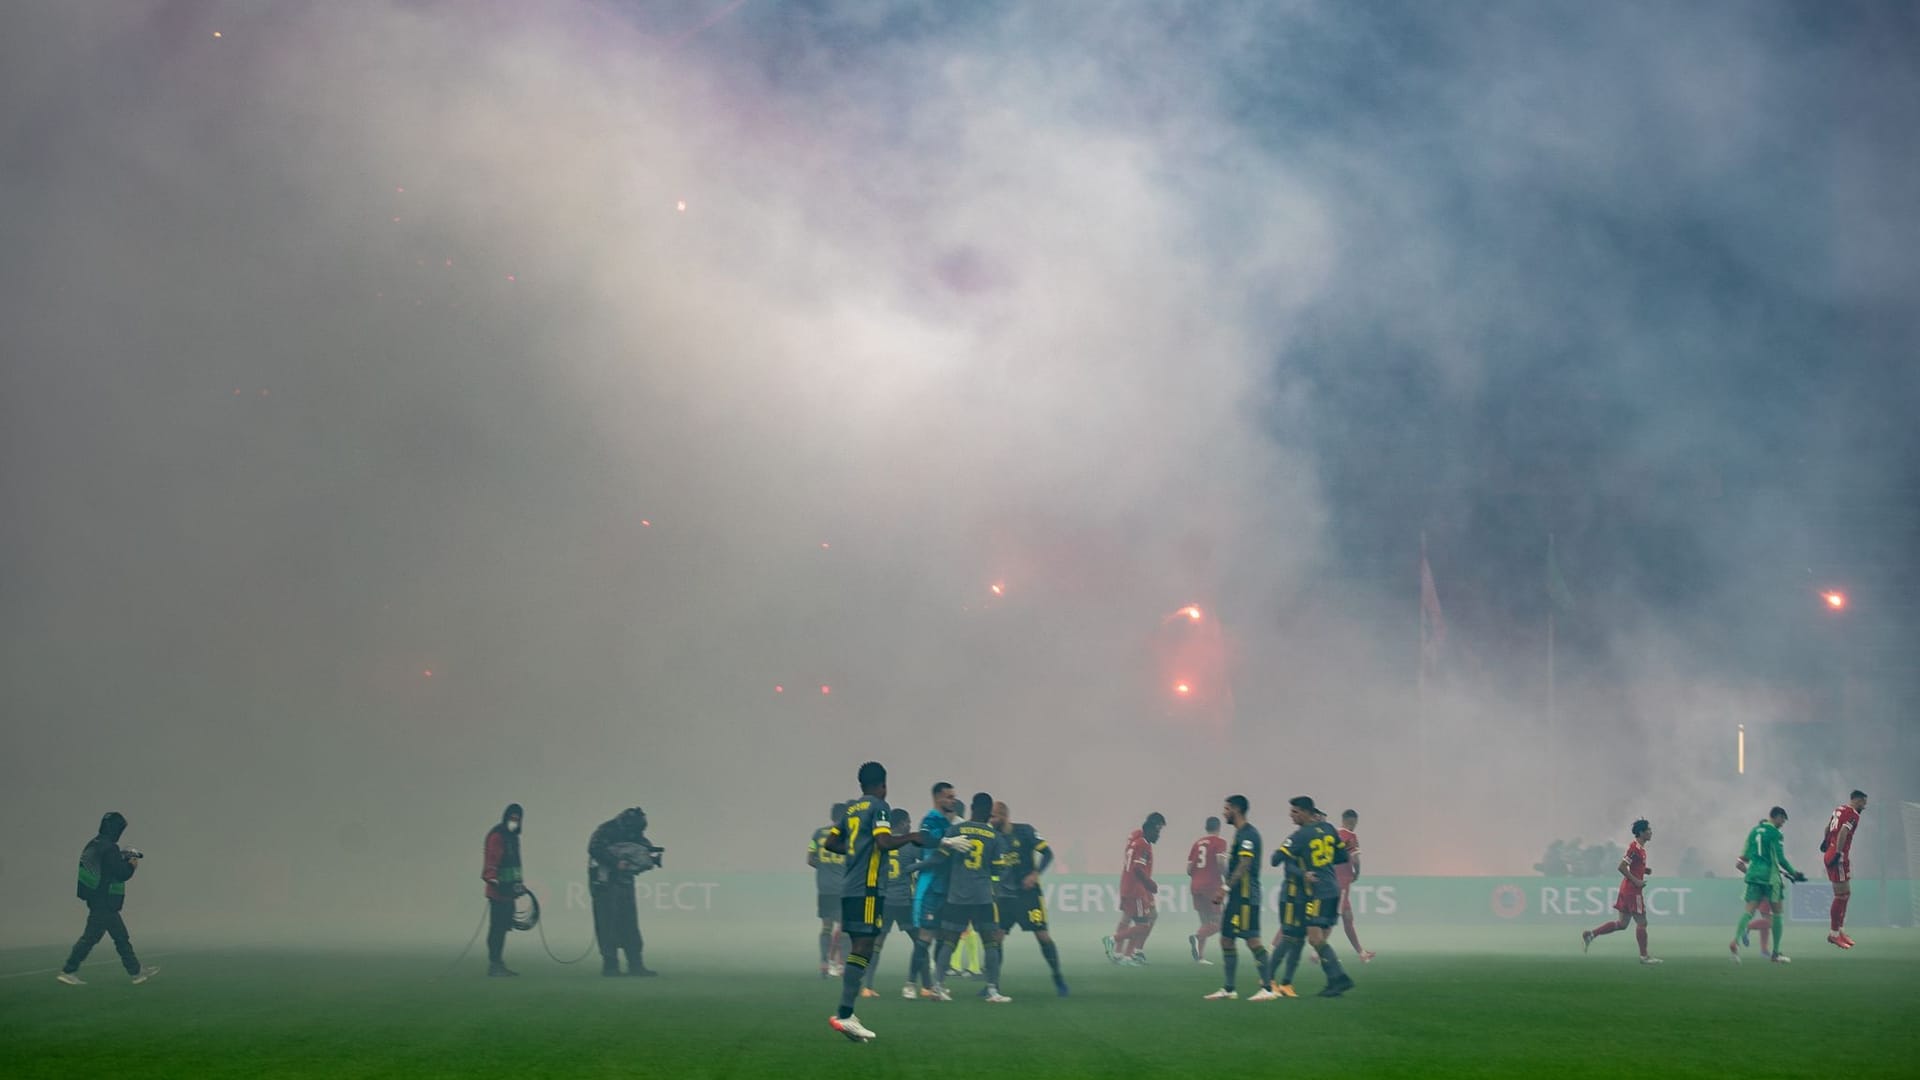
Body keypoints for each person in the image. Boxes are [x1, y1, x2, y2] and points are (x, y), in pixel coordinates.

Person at [824, 761, 937, 1041]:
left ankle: (847, 1014)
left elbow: (830, 843)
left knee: (862, 946)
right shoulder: (880, 807)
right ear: (883, 785)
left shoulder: (852, 809)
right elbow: (884, 842)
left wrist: (855, 849)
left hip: (849, 887)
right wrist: (911, 837)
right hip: (869, 888)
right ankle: (845, 1014)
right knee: (865, 947)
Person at [1264, 796, 1353, 999]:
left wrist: (1299, 861)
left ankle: (1339, 978)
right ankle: (1334, 982)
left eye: (1295, 812)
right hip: (1333, 889)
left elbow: (1275, 859)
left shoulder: (1300, 836)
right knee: (1315, 937)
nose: (1291, 815)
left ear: (1306, 812)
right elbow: (1342, 857)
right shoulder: (1329, 828)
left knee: (1312, 938)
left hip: (1317, 893)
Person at [58, 812, 158, 986]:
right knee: (93, 938)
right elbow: (120, 873)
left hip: (97, 899)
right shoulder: (110, 847)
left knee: (119, 937)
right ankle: (68, 970)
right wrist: (131, 865)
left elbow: (105, 868)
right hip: (105, 901)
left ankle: (136, 972)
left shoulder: (94, 844)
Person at [930, 792, 1010, 1002]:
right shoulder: (994, 836)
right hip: (982, 897)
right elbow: (1000, 869)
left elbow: (941, 859)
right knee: (990, 943)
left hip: (956, 896)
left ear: (973, 808)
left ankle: (938, 986)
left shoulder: (956, 830)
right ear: (989, 811)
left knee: (949, 941)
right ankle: (992, 990)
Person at [991, 800, 1068, 996]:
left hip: (1029, 895)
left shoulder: (1025, 831)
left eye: (994, 817)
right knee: (996, 937)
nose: (990, 820)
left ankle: (1057, 976)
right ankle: (993, 985)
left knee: (1042, 935)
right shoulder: (993, 837)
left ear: (1004, 815)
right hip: (1005, 896)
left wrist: (1035, 874)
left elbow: (1047, 853)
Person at [1203, 795, 1273, 1000]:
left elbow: (1245, 864)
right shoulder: (1241, 834)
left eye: (1226, 809)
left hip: (1245, 897)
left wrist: (1224, 888)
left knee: (1253, 941)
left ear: (1236, 809)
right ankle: (1229, 988)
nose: (1224, 813)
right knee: (1226, 939)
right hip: (1236, 897)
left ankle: (1268, 989)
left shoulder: (1249, 835)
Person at [587, 806, 659, 976]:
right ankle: (610, 966)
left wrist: (651, 855)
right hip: (604, 884)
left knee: (629, 923)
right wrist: (615, 862)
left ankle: (635, 964)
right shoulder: (607, 830)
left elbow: (643, 845)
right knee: (608, 924)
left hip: (624, 881)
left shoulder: (631, 830)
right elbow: (594, 848)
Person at [1730, 806, 1804, 964]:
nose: (1783, 823)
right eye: (1783, 819)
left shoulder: (1754, 831)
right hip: (1770, 878)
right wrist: (1794, 873)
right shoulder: (1776, 833)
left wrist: (1751, 868)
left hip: (1753, 875)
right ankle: (1775, 953)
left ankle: (1735, 941)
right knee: (1777, 913)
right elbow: (1781, 859)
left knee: (1749, 910)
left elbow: (1745, 857)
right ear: (1776, 817)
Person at [909, 782, 963, 997]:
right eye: (950, 797)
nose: (953, 801)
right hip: (931, 886)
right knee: (925, 937)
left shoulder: (956, 823)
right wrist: (946, 842)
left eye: (954, 797)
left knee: (945, 936)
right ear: (939, 798)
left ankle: (936, 985)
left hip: (950, 889)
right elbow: (924, 840)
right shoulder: (930, 820)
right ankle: (910, 983)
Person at [1581, 819, 1659, 964]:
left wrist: (1644, 870)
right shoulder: (1634, 848)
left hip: (1626, 889)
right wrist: (1636, 881)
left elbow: (1631, 865)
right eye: (1648, 830)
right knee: (1642, 923)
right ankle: (1644, 957)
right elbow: (1622, 867)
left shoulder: (1640, 848)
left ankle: (1591, 934)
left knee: (1622, 924)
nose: (1651, 832)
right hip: (1632, 891)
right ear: (1641, 832)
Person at [870, 807, 918, 1000]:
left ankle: (867, 986)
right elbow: (926, 861)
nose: (910, 825)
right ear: (901, 823)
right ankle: (925, 986)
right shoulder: (910, 845)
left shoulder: (881, 844)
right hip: (904, 901)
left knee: (877, 943)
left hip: (885, 901)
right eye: (908, 821)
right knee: (920, 941)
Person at [1106, 812, 1165, 965]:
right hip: (1137, 887)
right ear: (1152, 826)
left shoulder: (1136, 838)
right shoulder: (1143, 843)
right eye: (1159, 830)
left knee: (1130, 917)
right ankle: (1124, 948)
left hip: (1129, 884)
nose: (1159, 834)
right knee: (1144, 922)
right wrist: (1149, 884)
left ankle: (1123, 954)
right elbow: (1138, 868)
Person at [481, 803, 526, 977]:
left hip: (510, 893)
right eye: (513, 818)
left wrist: (518, 884)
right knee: (497, 929)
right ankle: (495, 963)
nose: (515, 821)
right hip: (498, 892)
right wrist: (493, 880)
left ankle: (498, 963)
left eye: (518, 819)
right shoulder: (497, 836)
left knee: (503, 928)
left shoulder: (513, 838)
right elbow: (492, 861)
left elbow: (515, 865)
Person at [1821, 790, 1867, 949]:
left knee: (1846, 894)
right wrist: (1838, 853)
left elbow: (1828, 828)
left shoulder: (1838, 809)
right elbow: (1843, 832)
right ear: (1857, 800)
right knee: (1841, 895)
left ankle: (1840, 931)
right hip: (1838, 855)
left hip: (1832, 850)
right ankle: (1834, 934)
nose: (1864, 806)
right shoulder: (1853, 814)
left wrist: (1825, 842)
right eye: (1863, 802)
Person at [809, 803, 850, 978]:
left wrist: (825, 868)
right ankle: (842, 965)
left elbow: (811, 859)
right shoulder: (848, 835)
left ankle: (824, 962)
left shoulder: (818, 834)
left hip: (824, 887)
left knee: (826, 927)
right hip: (843, 888)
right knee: (845, 928)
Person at [1334, 809, 1375, 962]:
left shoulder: (1333, 833)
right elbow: (1355, 859)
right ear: (1353, 821)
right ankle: (1317, 951)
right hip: (1342, 882)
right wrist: (1356, 873)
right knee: (1335, 916)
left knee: (1347, 917)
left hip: (1332, 879)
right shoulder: (1350, 837)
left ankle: (1361, 953)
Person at [1187, 816, 1227, 964]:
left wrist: (1199, 875)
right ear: (1218, 827)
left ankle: (1200, 957)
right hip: (1212, 886)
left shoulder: (1197, 844)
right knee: (1219, 922)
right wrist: (1227, 877)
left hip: (1196, 886)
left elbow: (1189, 869)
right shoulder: (1220, 842)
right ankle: (1196, 938)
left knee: (1205, 922)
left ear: (1206, 827)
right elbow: (1220, 862)